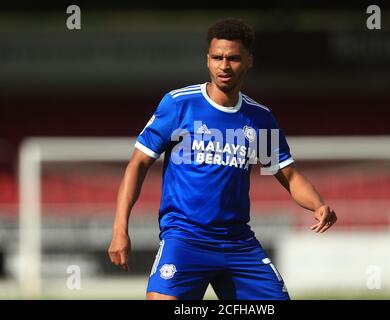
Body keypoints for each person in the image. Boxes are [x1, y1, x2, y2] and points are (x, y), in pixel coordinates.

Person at [108, 17, 337, 300]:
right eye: (217, 57)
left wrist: (318, 204)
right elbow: (138, 164)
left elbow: (287, 175)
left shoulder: (259, 119)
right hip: (185, 239)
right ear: (208, 60)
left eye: (233, 58)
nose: (224, 66)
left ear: (249, 61)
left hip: (238, 243)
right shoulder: (179, 105)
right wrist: (120, 229)